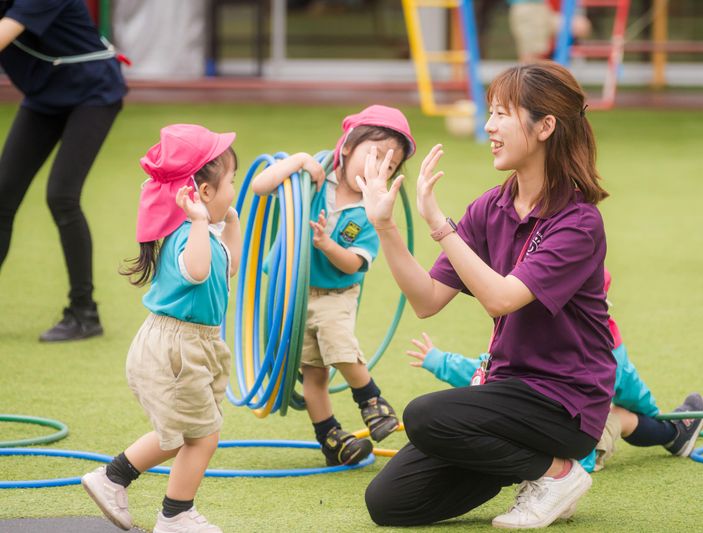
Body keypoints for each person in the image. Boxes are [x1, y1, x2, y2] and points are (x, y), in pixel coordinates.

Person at [359, 61, 614, 528]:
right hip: (505, 398)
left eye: (502, 114)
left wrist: (440, 225)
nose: (488, 126)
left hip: (566, 402)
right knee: (390, 503)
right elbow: (427, 300)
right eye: (490, 113)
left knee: (424, 414)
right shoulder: (490, 207)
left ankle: (557, 474)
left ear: (545, 126)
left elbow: (500, 298)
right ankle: (527, 468)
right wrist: (385, 225)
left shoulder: (578, 222)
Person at [81, 124, 241, 533]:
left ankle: (116, 480)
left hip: (190, 345)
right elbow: (198, 269)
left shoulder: (199, 232)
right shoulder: (187, 234)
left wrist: (230, 223)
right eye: (231, 184)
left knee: (185, 434)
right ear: (203, 194)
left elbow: (227, 270)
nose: (234, 191)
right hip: (176, 347)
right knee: (200, 436)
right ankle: (173, 514)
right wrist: (203, 223)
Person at [404, 269, 703, 474]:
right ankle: (673, 433)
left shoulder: (528, 331)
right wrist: (652, 410)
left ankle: (672, 434)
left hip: (539, 437)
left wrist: (439, 361)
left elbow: (483, 374)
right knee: (621, 415)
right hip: (572, 449)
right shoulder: (604, 342)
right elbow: (629, 386)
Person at [250, 105, 415, 466]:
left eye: (388, 166)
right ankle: (330, 439)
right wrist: (297, 160)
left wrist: (327, 245)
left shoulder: (371, 211)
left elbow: (355, 264)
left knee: (340, 349)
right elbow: (260, 187)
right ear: (345, 148)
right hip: (292, 292)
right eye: (373, 155)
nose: (377, 169)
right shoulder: (309, 183)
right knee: (314, 371)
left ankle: (372, 401)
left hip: (335, 295)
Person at [0, 0, 127, 341]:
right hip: (45, 95)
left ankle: (84, 313)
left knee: (62, 195)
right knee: (3, 194)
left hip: (93, 91)